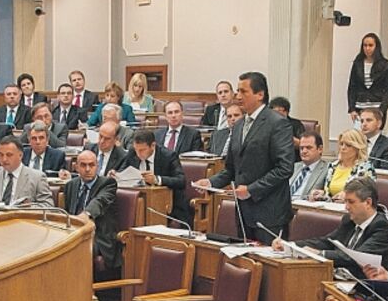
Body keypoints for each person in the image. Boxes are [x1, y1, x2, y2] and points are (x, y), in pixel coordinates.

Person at [194, 71, 295, 241]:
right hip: (243, 212)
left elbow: (284, 168)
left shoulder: (277, 123)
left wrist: (251, 190)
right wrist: (211, 182)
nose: (238, 96)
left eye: (243, 91)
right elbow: (232, 168)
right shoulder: (239, 125)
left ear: (260, 94)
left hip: (270, 213)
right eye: (238, 91)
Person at [277, 176, 388, 272]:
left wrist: (320, 253)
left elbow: (356, 257)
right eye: (345, 202)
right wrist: (291, 245)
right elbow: (327, 242)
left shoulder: (381, 228)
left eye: (351, 202)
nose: (346, 207)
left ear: (368, 202)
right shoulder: (349, 220)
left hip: (366, 285)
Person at [65, 149, 121, 269]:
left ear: (98, 166)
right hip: (74, 233)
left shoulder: (108, 183)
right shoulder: (71, 185)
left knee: (76, 248)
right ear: (76, 167)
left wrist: (86, 214)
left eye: (91, 165)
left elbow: (100, 201)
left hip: (98, 237)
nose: (87, 169)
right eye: (83, 165)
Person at [124, 128, 190, 226]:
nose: (138, 154)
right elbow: (123, 171)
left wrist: (157, 179)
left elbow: (181, 181)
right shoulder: (132, 153)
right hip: (139, 203)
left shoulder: (168, 156)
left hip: (168, 206)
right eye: (136, 149)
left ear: (153, 145)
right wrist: (116, 174)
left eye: (142, 150)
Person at [0, 136, 53, 208]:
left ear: (20, 155)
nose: (4, 159)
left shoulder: (37, 177)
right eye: (1, 155)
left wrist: (29, 207)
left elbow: (48, 205)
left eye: (9, 155)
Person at [310, 128, 375, 200]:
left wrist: (347, 196)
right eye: (341, 144)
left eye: (348, 145)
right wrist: (321, 194)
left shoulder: (365, 168)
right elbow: (329, 194)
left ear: (358, 148)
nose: (343, 148)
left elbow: (367, 195)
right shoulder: (333, 166)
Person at [346, 32, 388, 121]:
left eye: (370, 45)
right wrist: (352, 109)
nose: (367, 48)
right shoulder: (357, 64)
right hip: (359, 106)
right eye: (365, 45)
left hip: (377, 107)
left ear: (376, 47)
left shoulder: (385, 64)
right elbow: (352, 87)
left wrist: (383, 109)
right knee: (360, 129)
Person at [289, 132, 329, 200]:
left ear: (320, 149)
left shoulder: (327, 169)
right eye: (301, 148)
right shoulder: (293, 167)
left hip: (305, 205)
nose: (304, 151)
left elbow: (328, 195)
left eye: (308, 148)